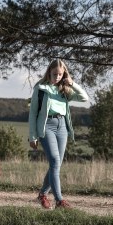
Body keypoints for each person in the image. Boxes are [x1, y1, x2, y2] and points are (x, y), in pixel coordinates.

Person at [28, 59, 89, 209]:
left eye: (60, 74)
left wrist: (72, 83)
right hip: (46, 126)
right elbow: (33, 113)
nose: (57, 77)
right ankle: (59, 200)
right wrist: (32, 136)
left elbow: (84, 98)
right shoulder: (40, 88)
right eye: (54, 74)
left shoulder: (65, 90)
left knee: (56, 164)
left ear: (64, 74)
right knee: (55, 161)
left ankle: (42, 194)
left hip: (62, 127)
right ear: (49, 72)